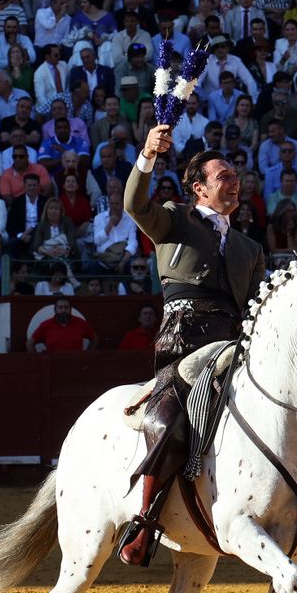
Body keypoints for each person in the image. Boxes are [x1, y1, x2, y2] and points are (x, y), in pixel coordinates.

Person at [116, 121, 274, 567]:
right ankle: (144, 519)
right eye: (223, 177)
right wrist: (148, 154)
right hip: (185, 343)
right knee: (169, 417)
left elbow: (255, 307)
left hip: (232, 343)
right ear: (199, 189)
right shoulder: (174, 219)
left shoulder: (250, 248)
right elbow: (133, 203)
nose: (234, 182)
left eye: (236, 177)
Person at [31, 297, 97, 351]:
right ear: (55, 310)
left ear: (70, 309)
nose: (63, 310)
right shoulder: (46, 325)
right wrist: (36, 360)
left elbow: (94, 338)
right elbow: (29, 343)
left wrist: (88, 355)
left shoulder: (80, 323)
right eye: (60, 307)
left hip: (76, 364)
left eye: (66, 307)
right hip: (53, 365)